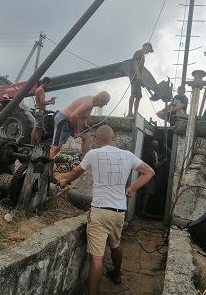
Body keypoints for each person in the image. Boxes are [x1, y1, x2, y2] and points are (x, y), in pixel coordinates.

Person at [59, 125, 154, 295]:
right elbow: (149, 172)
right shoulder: (128, 155)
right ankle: (116, 275)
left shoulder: (93, 154)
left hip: (100, 211)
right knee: (115, 245)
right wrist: (131, 188)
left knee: (96, 258)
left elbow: (76, 171)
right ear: (114, 138)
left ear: (97, 139)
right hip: (119, 212)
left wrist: (64, 181)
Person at [49, 91, 111, 183]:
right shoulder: (88, 104)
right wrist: (76, 131)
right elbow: (74, 115)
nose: (105, 105)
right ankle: (48, 174)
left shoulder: (92, 101)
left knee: (87, 136)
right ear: (101, 100)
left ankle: (83, 161)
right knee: (55, 147)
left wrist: (85, 125)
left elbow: (83, 115)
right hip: (63, 120)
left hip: (70, 124)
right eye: (105, 103)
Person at [127, 42, 154, 117]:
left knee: (139, 96)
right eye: (148, 50)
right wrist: (138, 75)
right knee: (133, 94)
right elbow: (135, 64)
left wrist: (142, 82)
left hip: (137, 76)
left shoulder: (142, 56)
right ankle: (130, 112)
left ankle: (135, 113)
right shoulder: (139, 53)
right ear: (146, 47)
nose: (148, 53)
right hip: (134, 75)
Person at [30, 77, 57, 145]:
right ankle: (32, 144)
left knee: (39, 128)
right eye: (48, 85)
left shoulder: (39, 90)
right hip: (40, 111)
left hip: (39, 111)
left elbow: (41, 101)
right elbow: (42, 102)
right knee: (36, 128)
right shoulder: (41, 90)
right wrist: (51, 102)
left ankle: (37, 143)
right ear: (45, 83)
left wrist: (50, 100)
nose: (48, 87)